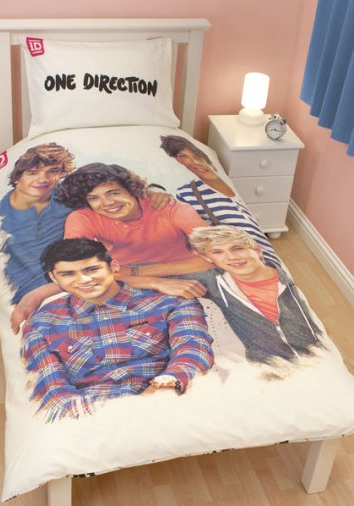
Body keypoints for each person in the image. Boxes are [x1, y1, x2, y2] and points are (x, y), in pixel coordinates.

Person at [21, 238, 214, 422]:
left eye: (92, 269)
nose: (84, 280)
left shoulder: (171, 301)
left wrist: (167, 386)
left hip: (166, 402)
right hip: (91, 417)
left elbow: (193, 349)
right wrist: (94, 417)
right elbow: (50, 386)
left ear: (113, 267)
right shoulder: (42, 323)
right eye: (68, 274)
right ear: (53, 277)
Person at [10, 162, 211, 333]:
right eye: (93, 198)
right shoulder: (83, 218)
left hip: (187, 273)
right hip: (124, 282)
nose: (107, 203)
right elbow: (75, 269)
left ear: (132, 190)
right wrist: (35, 294)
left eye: (113, 193)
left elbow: (215, 257)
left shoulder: (167, 207)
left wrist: (136, 271)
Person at [189, 225, 324, 366]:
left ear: (258, 250)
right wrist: (169, 283)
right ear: (207, 258)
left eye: (238, 248)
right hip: (267, 366)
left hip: (315, 355)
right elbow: (172, 272)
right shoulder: (213, 282)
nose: (232, 257)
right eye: (217, 252)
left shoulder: (285, 282)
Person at [160, 134, 282, 269]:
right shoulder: (187, 193)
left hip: (269, 260)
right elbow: (194, 236)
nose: (195, 163)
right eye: (184, 158)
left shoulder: (227, 180)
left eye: (197, 156)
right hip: (245, 261)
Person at [0, 143, 75, 304]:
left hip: (67, 280)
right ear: (18, 178)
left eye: (53, 171)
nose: (43, 179)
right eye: (32, 173)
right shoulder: (0, 212)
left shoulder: (70, 198)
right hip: (24, 284)